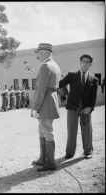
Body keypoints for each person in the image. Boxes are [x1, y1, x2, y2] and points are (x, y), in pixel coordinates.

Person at [59, 54, 98, 159]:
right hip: (72, 106)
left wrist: (91, 107)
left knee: (87, 129)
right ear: (80, 62)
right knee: (71, 130)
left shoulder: (94, 80)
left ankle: (88, 151)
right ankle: (70, 152)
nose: (85, 63)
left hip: (85, 108)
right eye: (83, 61)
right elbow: (60, 84)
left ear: (90, 64)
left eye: (87, 62)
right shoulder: (71, 75)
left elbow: (94, 96)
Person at [31, 43, 61, 172]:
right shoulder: (55, 65)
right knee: (42, 130)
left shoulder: (45, 66)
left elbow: (41, 89)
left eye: (38, 52)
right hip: (51, 101)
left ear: (44, 52)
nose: (37, 54)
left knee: (47, 131)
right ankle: (43, 158)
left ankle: (50, 163)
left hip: (45, 103)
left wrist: (35, 107)